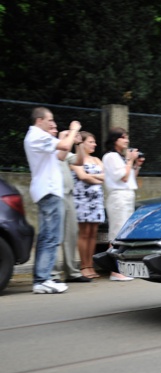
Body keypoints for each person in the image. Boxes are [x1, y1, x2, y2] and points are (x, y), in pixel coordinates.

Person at [23, 107, 82, 294]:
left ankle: (43, 278)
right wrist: (73, 130)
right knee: (50, 237)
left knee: (47, 236)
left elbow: (61, 154)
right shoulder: (36, 136)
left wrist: (71, 138)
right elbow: (64, 147)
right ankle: (43, 279)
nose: (52, 124)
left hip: (48, 192)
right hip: (49, 192)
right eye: (50, 120)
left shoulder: (39, 138)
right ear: (39, 120)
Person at [102, 127, 145, 281]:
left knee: (124, 233)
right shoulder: (111, 156)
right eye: (123, 137)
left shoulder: (120, 158)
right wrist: (130, 160)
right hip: (118, 197)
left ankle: (121, 268)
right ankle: (114, 271)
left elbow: (131, 177)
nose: (127, 140)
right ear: (115, 140)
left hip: (127, 195)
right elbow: (123, 177)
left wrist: (136, 165)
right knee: (116, 233)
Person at [53, 129, 91, 283]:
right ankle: (53, 274)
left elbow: (80, 161)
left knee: (71, 234)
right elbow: (60, 152)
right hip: (55, 195)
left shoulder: (65, 151)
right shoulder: (50, 149)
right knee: (55, 236)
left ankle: (72, 272)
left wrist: (80, 143)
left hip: (68, 195)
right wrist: (66, 136)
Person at [71, 131, 105, 279]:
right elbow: (82, 176)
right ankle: (83, 266)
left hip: (96, 201)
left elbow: (106, 176)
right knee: (84, 234)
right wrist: (96, 178)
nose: (94, 144)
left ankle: (90, 265)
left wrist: (92, 177)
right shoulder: (74, 159)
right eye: (91, 142)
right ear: (82, 142)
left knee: (93, 234)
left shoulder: (97, 159)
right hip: (82, 200)